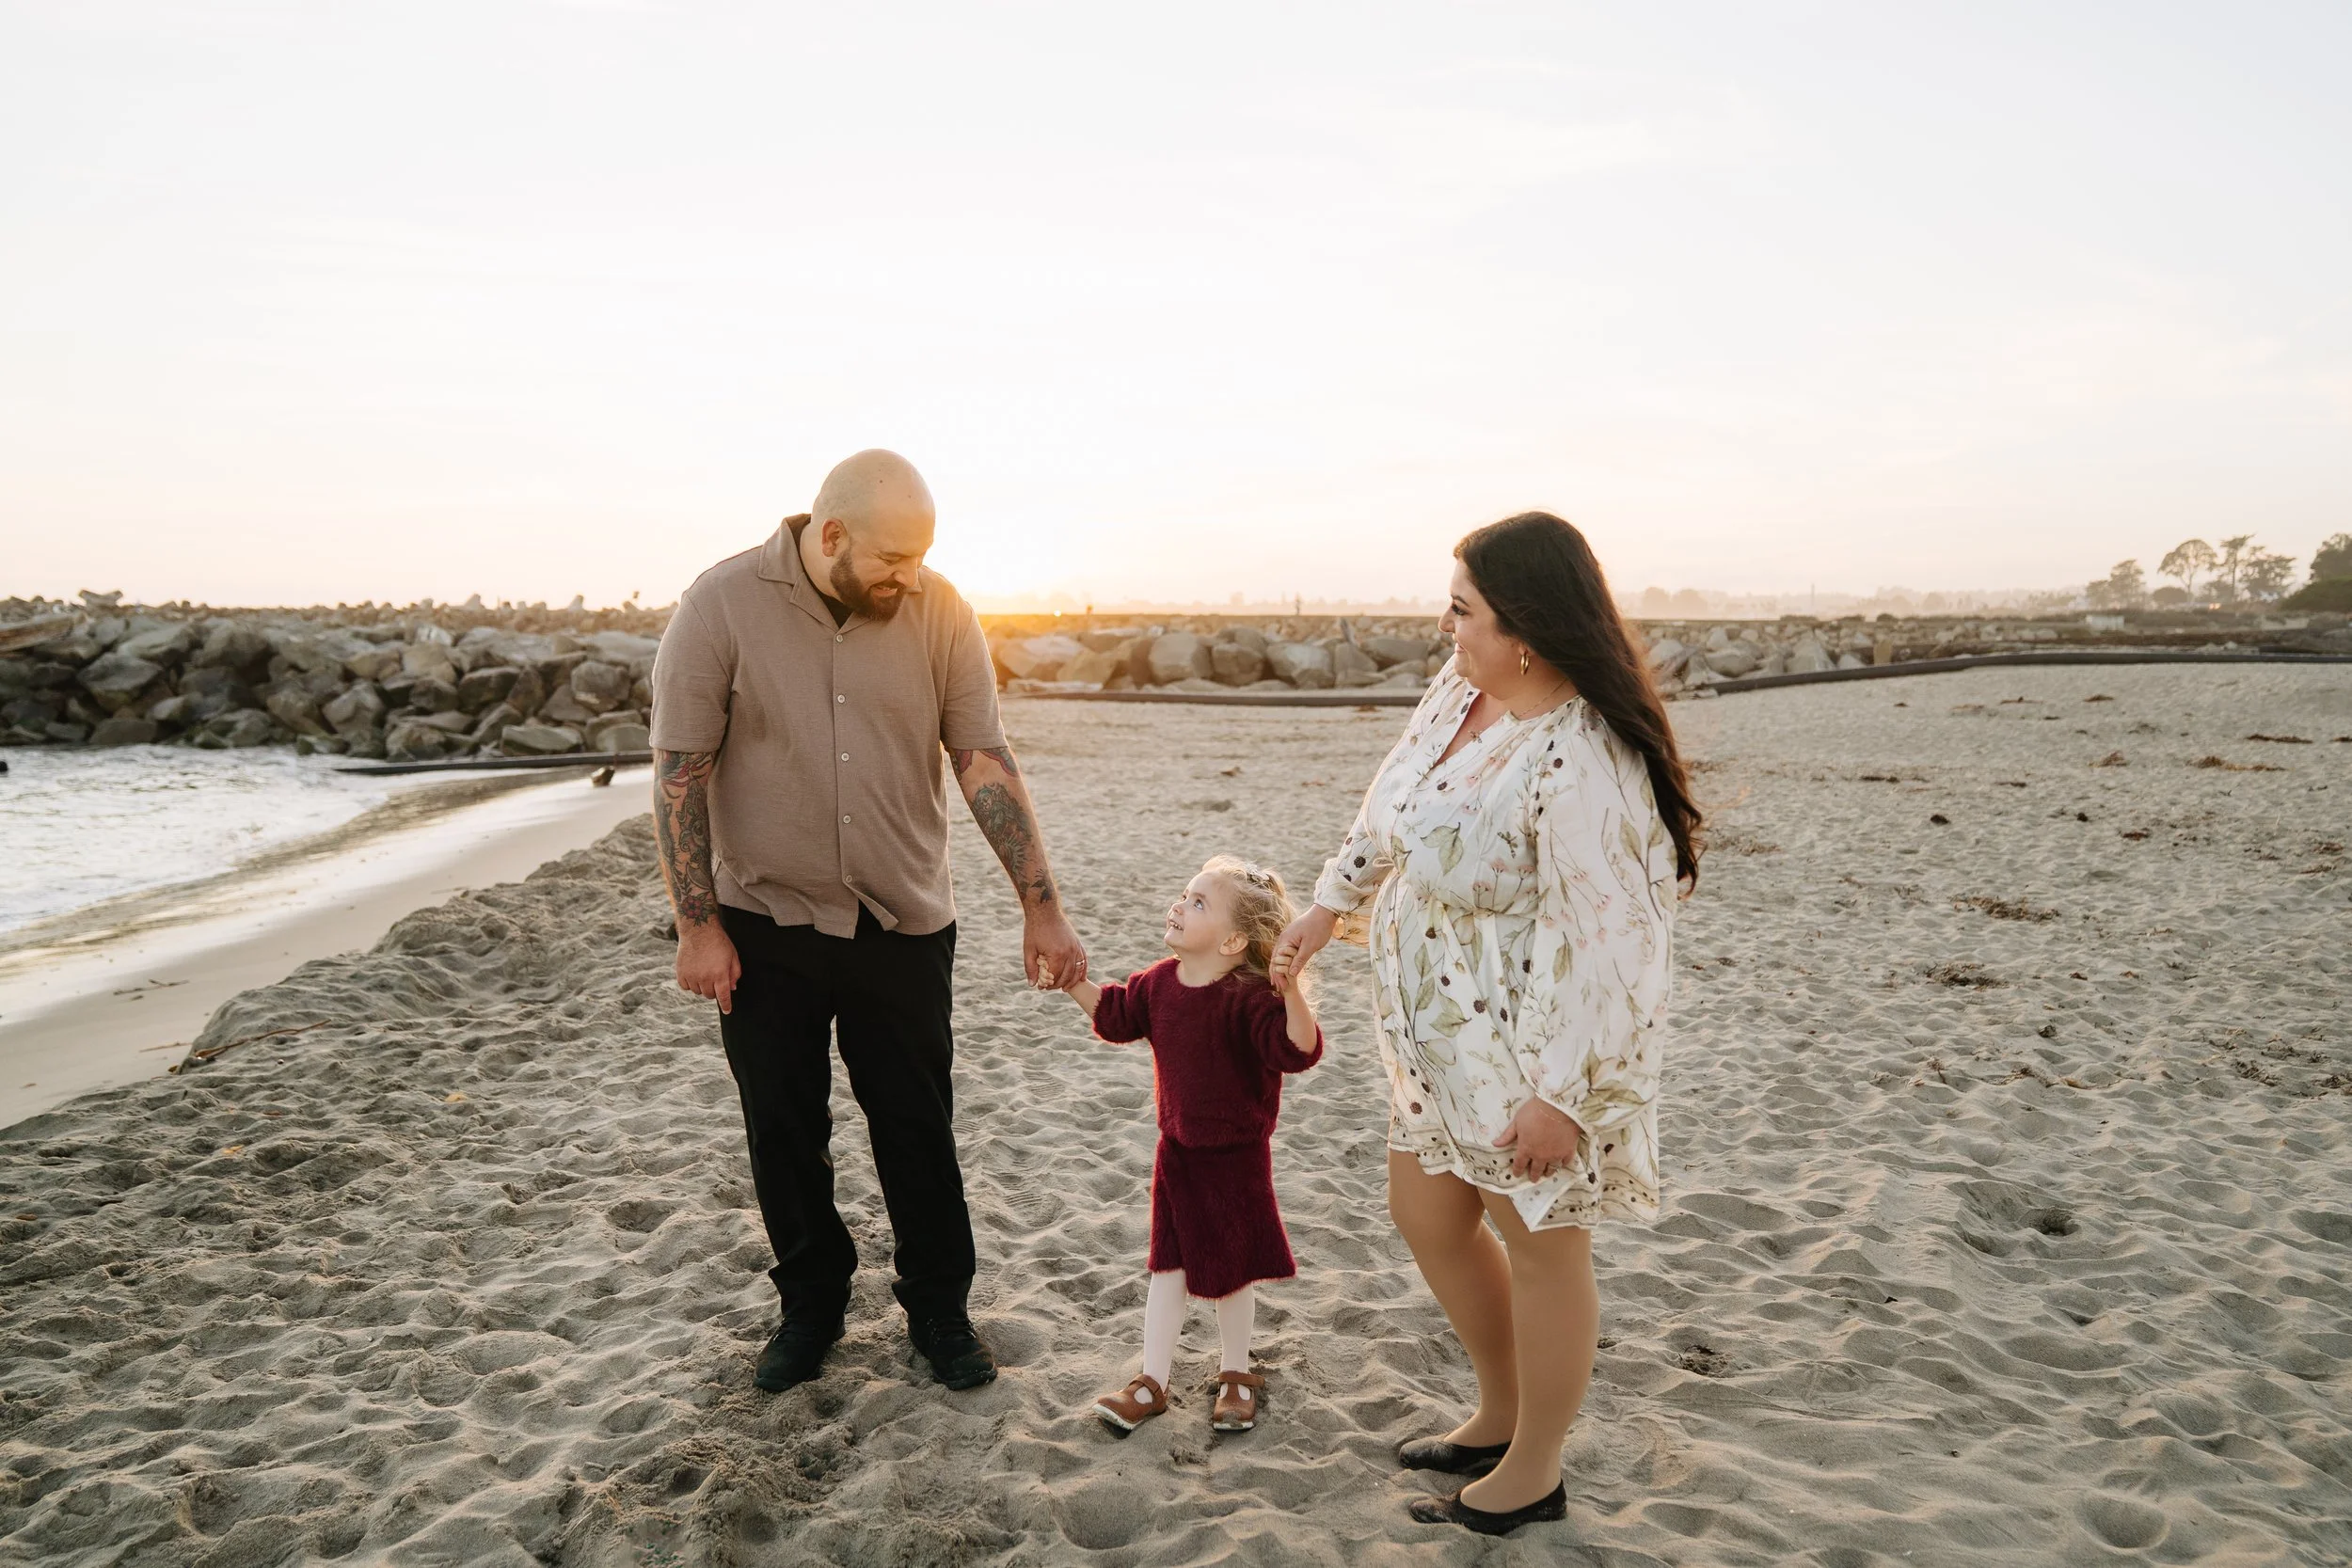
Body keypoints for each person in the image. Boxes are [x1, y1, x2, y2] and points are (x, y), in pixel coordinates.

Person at [1270, 512, 1701, 1537]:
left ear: (1529, 630)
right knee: (1425, 1212)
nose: (1444, 625)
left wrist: (1564, 1094)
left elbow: (1622, 943)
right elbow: (1389, 807)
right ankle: (1500, 1410)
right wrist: (1330, 903)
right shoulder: (1460, 693)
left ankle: (1536, 1464)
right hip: (1432, 1038)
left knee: (1543, 1241)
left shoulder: (1584, 753)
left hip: (1527, 1052)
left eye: (1462, 608)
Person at [648, 449, 1088, 1394]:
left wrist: (1040, 908)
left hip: (904, 922)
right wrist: (697, 926)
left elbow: (982, 759)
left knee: (916, 1125)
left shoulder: (942, 612)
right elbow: (680, 771)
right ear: (833, 534)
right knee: (782, 1125)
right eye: (894, 556)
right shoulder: (719, 603)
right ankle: (812, 1302)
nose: (911, 575)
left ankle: (937, 1306)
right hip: (764, 922)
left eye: (923, 555)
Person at [1052, 857, 1324, 1436]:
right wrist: (1072, 981)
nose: (1179, 904)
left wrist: (1293, 991)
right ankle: (1152, 1381)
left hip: (1236, 1156)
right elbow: (1117, 1016)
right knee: (1166, 1267)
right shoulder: (1157, 984)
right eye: (1184, 894)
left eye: (1198, 902)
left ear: (1233, 939)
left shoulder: (1249, 997)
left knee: (1233, 1271)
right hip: (1175, 1152)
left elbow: (1297, 1052)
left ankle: (1234, 1373)